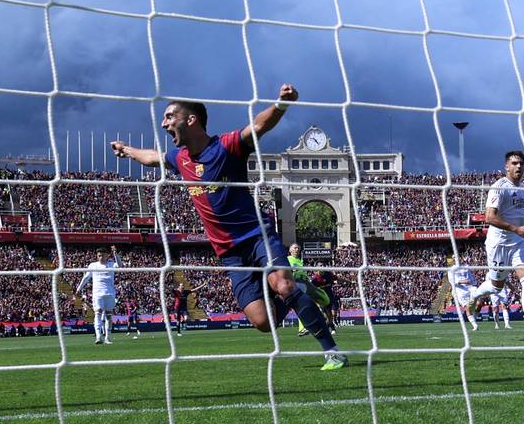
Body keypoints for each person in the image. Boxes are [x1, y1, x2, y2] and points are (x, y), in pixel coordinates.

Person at [110, 87, 347, 370]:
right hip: (230, 253)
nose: (164, 123)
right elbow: (152, 157)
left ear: (191, 120)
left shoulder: (226, 146)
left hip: (257, 236)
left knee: (283, 285)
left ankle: (332, 351)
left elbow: (257, 127)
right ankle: (302, 289)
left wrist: (281, 104)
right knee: (263, 321)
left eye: (169, 116)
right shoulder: (180, 158)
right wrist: (127, 150)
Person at [466, 151, 524, 341]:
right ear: (506, 167)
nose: (518, 166)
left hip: (518, 242)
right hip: (499, 244)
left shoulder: (523, 189)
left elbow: (521, 213)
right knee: (496, 288)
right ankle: (475, 295)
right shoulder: (498, 187)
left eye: (521, 163)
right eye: (514, 163)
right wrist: (516, 228)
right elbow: (489, 217)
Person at [73, 246, 119, 345]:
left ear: (107, 255)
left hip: (110, 293)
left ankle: (108, 337)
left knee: (108, 316)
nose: (100, 257)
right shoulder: (93, 265)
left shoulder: (111, 264)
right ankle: (98, 336)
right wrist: (78, 289)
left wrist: (115, 253)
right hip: (98, 294)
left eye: (102, 255)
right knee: (98, 313)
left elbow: (120, 265)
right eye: (99, 256)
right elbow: (86, 278)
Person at [286, 244, 332, 337]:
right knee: (303, 305)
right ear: (290, 250)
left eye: (298, 248)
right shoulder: (287, 259)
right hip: (297, 283)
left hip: (305, 283)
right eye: (295, 248)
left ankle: (316, 320)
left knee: (323, 300)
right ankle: (303, 328)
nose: (297, 249)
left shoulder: (300, 261)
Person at [445, 257, 479, 331]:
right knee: (467, 308)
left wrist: (474, 283)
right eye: (455, 258)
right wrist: (462, 282)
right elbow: (452, 281)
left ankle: (474, 318)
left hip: (470, 287)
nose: (457, 259)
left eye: (458, 257)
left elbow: (471, 277)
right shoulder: (451, 270)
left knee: (479, 302)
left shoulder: (466, 266)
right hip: (460, 291)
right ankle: (475, 325)